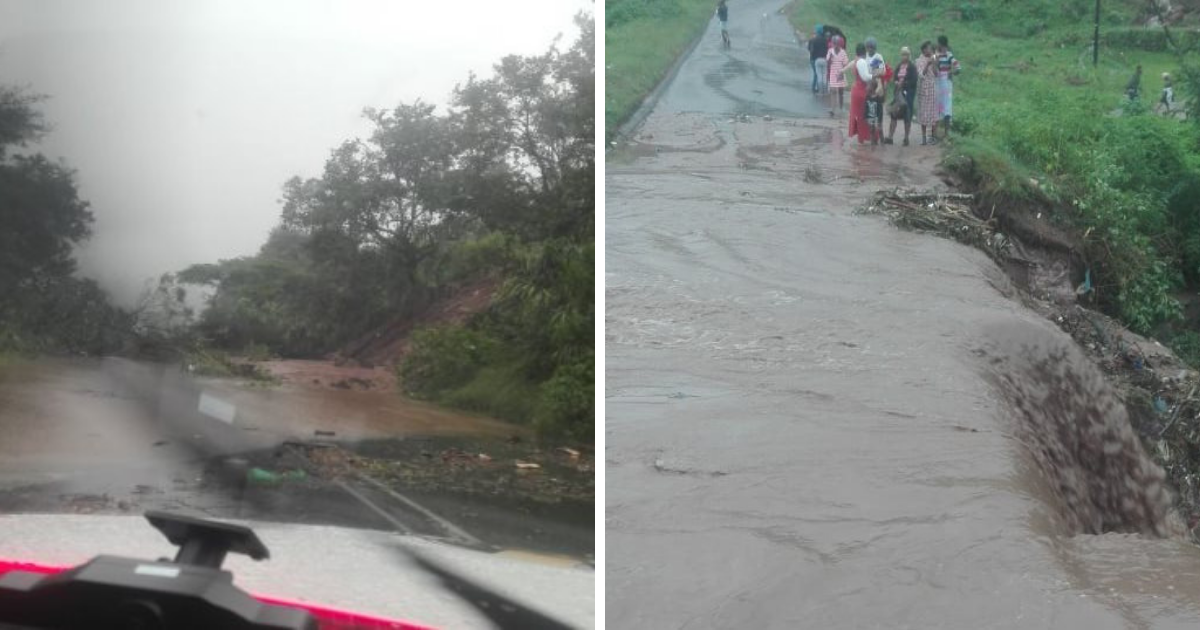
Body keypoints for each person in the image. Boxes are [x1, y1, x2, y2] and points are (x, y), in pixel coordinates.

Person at [887, 47, 918, 146]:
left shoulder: (912, 67)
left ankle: (906, 138)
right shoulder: (899, 66)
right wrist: (896, 82)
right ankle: (890, 137)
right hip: (898, 94)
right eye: (903, 54)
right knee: (894, 114)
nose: (904, 56)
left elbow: (914, 81)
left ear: (909, 56)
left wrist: (903, 83)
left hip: (908, 94)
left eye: (906, 55)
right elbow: (894, 77)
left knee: (907, 116)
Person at [935, 35, 960, 137]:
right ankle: (939, 132)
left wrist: (951, 72)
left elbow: (958, 68)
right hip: (939, 82)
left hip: (945, 82)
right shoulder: (937, 55)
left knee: (946, 106)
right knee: (939, 105)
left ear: (940, 44)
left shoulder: (949, 55)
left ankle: (946, 132)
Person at [916, 40, 939, 145]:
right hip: (923, 89)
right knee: (923, 113)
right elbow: (921, 75)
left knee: (933, 112)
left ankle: (933, 137)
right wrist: (927, 64)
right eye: (929, 48)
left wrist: (933, 63)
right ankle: (924, 138)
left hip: (932, 88)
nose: (930, 50)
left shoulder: (934, 58)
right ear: (924, 49)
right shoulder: (919, 60)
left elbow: (936, 74)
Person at [849, 43, 871, 143]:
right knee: (863, 114)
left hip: (856, 89)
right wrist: (875, 75)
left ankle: (861, 137)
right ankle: (863, 137)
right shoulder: (861, 61)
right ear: (864, 51)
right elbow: (865, 77)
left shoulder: (855, 60)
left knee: (858, 114)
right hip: (861, 91)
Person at [826, 36, 849, 114]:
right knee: (832, 91)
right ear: (832, 44)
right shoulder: (830, 51)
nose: (835, 45)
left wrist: (841, 72)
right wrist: (830, 59)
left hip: (841, 74)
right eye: (834, 43)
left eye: (837, 44)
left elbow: (846, 64)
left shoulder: (843, 52)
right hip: (833, 74)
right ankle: (832, 109)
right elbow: (828, 64)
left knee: (841, 92)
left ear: (840, 44)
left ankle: (841, 107)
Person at [808, 26, 829, 94]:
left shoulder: (813, 40)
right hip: (823, 58)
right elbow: (827, 49)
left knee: (817, 74)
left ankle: (815, 88)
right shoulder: (825, 40)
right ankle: (819, 88)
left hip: (814, 59)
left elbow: (810, 50)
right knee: (821, 74)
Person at [865, 77, 883, 145]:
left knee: (880, 129)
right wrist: (866, 116)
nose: (866, 87)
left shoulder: (878, 97)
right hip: (870, 116)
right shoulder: (867, 96)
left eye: (868, 85)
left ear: (873, 87)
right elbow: (866, 107)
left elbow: (880, 109)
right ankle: (873, 143)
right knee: (871, 130)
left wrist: (879, 118)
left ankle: (882, 142)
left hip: (877, 117)